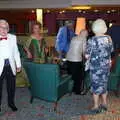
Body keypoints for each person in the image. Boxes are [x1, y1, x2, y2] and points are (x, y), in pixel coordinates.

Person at [85, 19, 113, 114]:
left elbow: (87, 55)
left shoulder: (91, 40)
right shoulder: (109, 39)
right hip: (105, 67)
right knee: (104, 85)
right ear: (104, 28)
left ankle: (96, 106)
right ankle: (104, 104)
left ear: (94, 28)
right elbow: (111, 51)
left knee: (95, 86)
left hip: (95, 68)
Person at [0, 19, 21, 112]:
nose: (4, 30)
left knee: (11, 87)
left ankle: (11, 103)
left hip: (10, 66)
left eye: (6, 28)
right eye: (1, 27)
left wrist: (18, 64)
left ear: (8, 29)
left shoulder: (13, 37)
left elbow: (16, 52)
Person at [66, 29, 88, 95]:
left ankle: (70, 89)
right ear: (84, 34)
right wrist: (86, 57)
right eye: (86, 34)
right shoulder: (84, 39)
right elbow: (84, 51)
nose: (87, 35)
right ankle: (77, 91)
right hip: (76, 60)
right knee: (79, 76)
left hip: (68, 59)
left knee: (71, 75)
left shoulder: (74, 38)